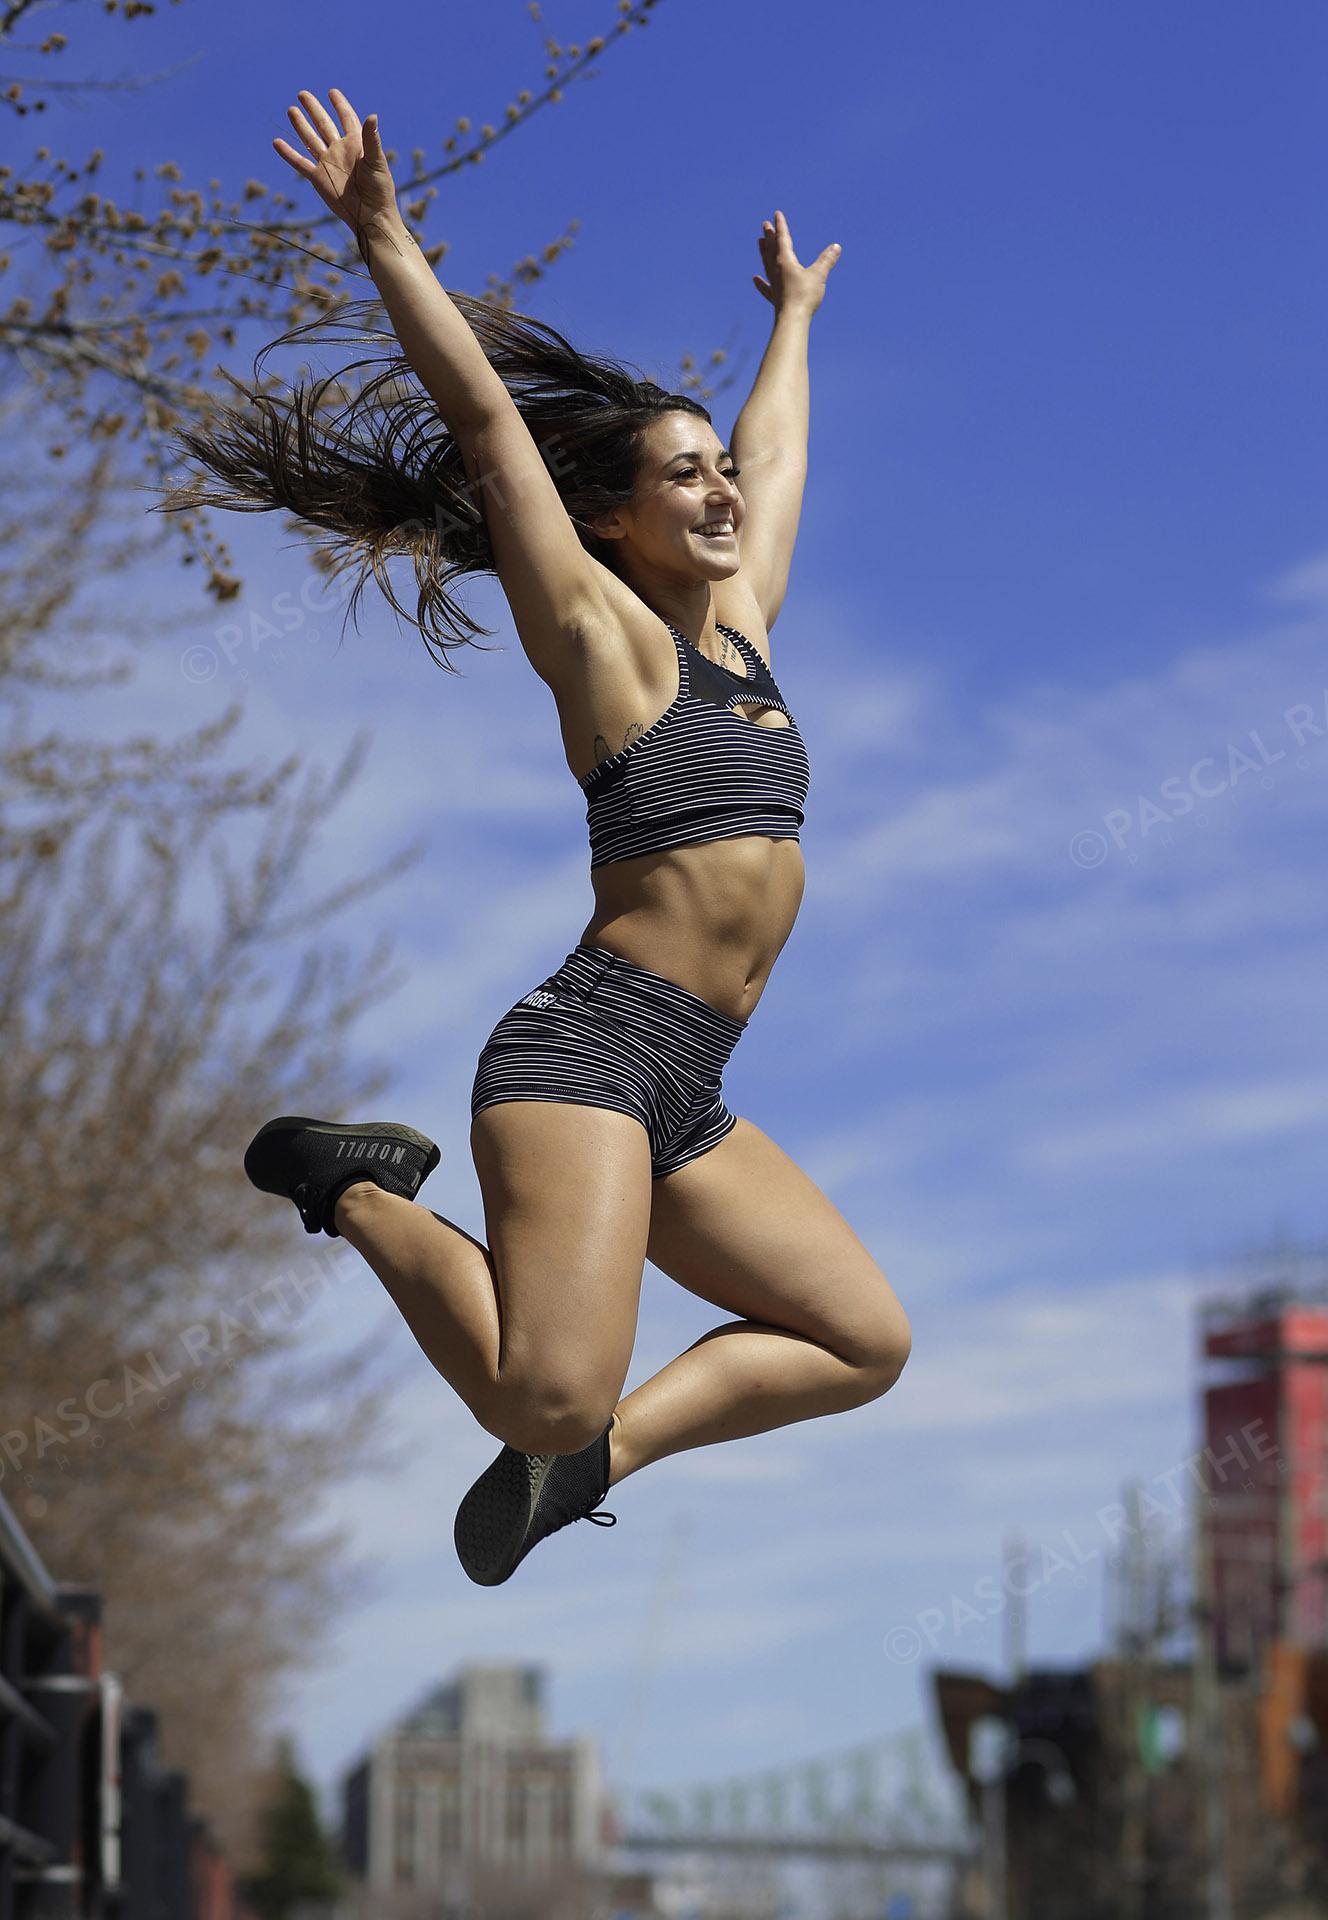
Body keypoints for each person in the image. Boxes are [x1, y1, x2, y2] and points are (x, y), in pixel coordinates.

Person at [165, 87, 912, 1586]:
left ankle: (598, 1459)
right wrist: (382, 235)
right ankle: (354, 1184)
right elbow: (491, 429)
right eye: (681, 475)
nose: (718, 490)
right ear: (618, 523)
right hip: (586, 1054)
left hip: (689, 1077)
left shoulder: (746, 631)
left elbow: (782, 460)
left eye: (719, 473)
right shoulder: (604, 641)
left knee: (861, 1339)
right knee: (534, 1381)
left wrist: (794, 321)